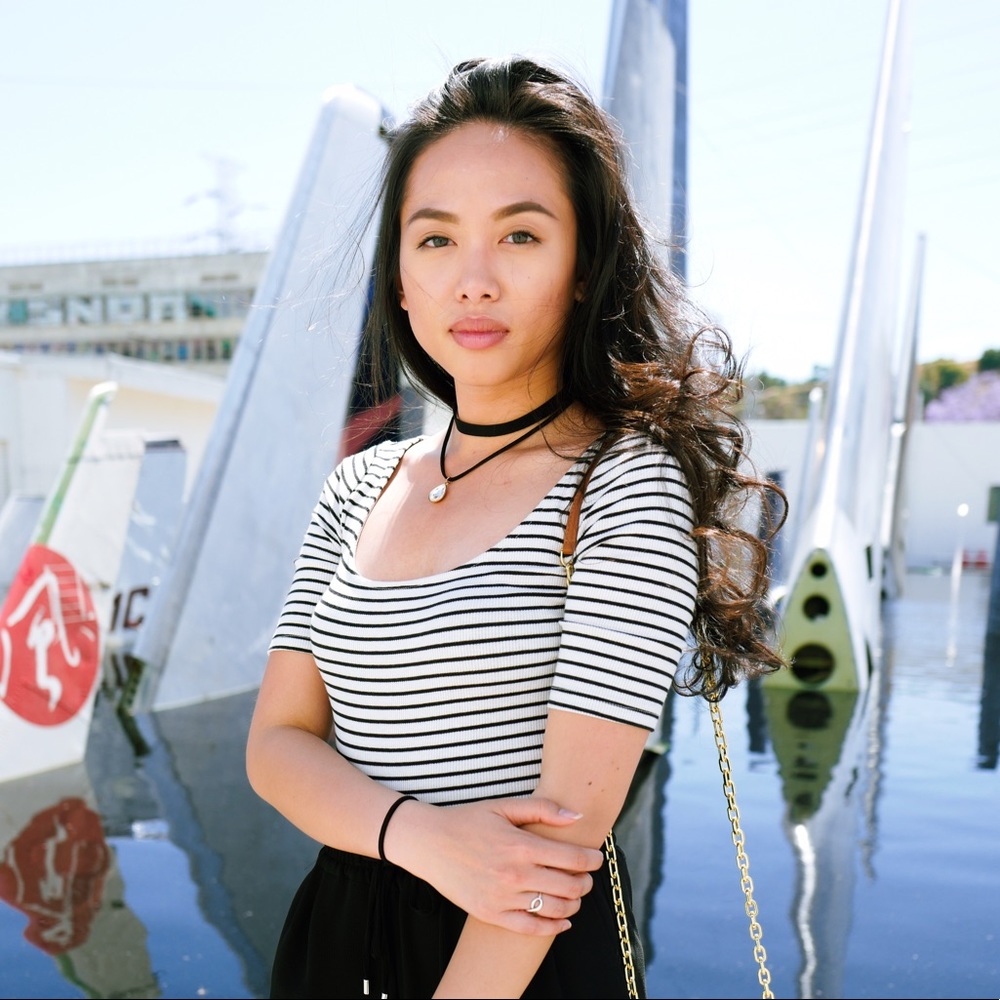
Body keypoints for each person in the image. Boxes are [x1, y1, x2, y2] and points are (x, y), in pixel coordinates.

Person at [246, 55, 786, 1000]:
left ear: (585, 268)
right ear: (401, 278)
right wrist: (415, 832)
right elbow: (277, 746)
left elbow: (558, 843)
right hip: (335, 934)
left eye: (522, 235)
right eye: (437, 240)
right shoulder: (361, 485)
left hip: (513, 957)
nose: (475, 281)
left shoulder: (622, 481)